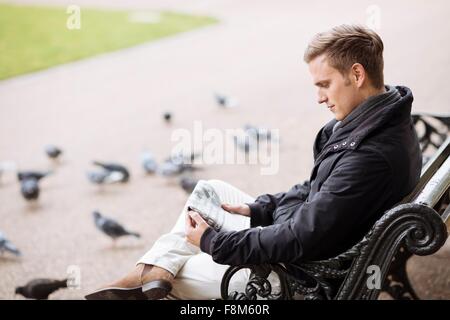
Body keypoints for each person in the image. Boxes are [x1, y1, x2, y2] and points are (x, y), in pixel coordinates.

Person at [85, 24, 422, 300]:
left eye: (324, 85)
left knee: (177, 275)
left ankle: (151, 274)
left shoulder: (369, 155)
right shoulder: (381, 117)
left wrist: (211, 243)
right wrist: (259, 209)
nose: (319, 97)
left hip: (300, 279)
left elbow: (302, 237)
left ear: (358, 74)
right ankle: (153, 270)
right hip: (308, 246)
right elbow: (316, 190)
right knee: (211, 191)